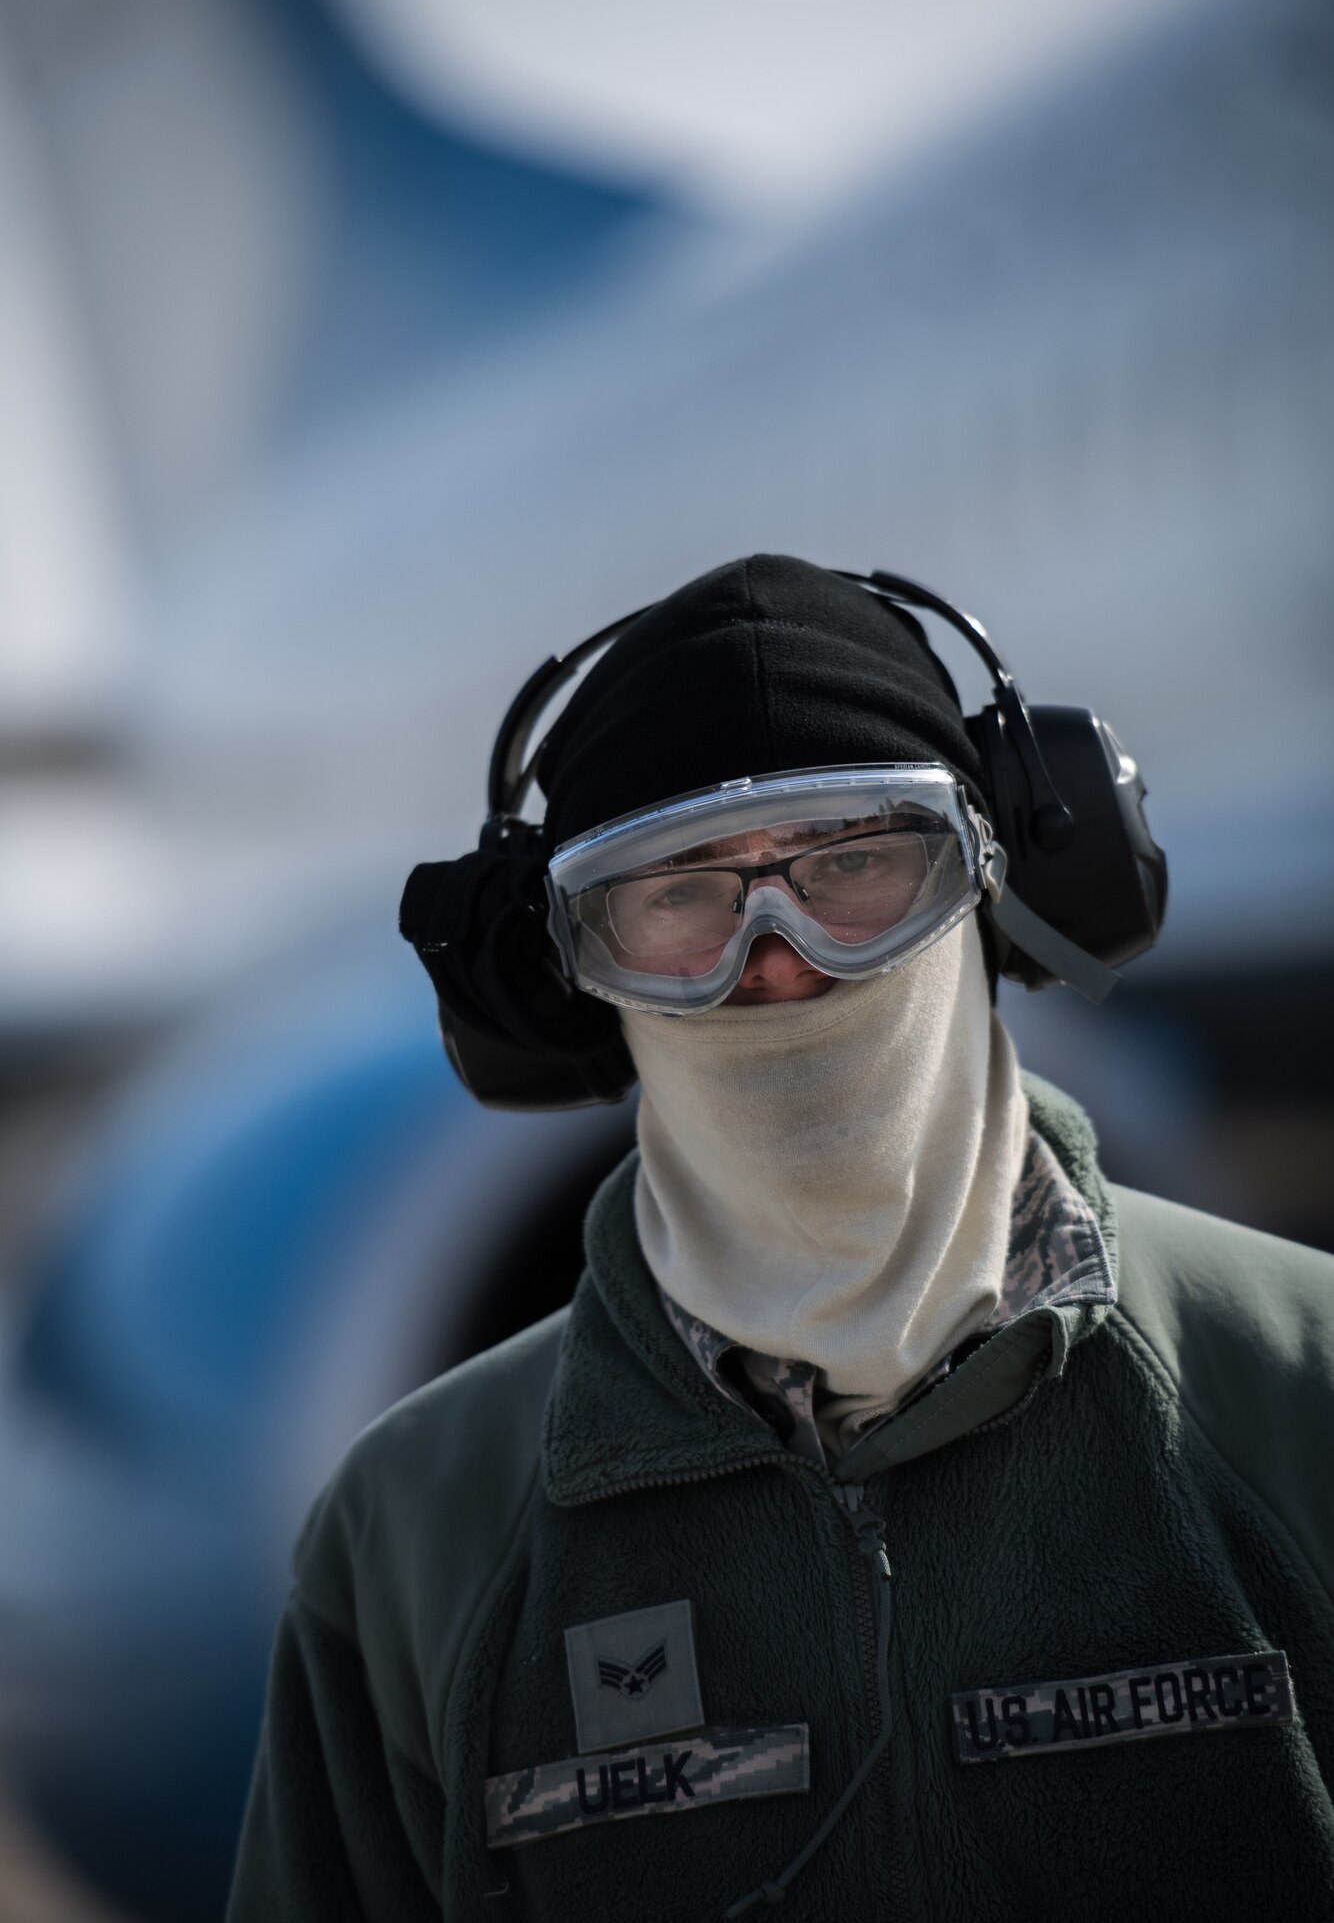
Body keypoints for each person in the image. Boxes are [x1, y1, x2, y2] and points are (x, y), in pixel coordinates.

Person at [227, 556, 1334, 1921]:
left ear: (999, 876)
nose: (778, 954)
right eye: (678, 897)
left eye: (857, 865)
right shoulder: (410, 1528)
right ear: (559, 968)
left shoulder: (1303, 1387)